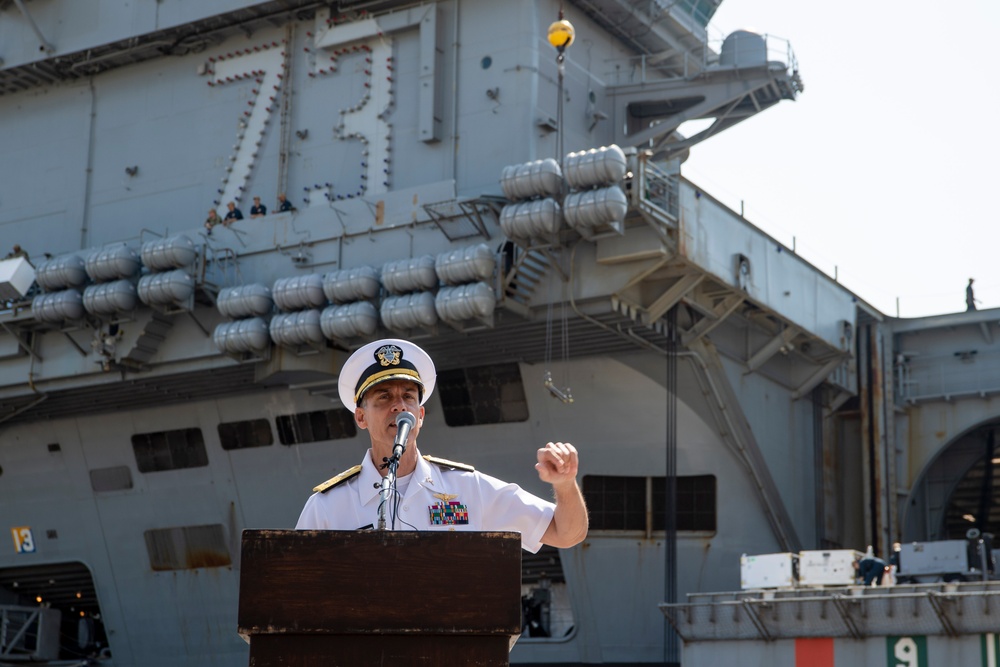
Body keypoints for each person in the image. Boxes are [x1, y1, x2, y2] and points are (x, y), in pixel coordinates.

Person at [295, 339, 589, 552]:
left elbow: (566, 534)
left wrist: (565, 485)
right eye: (384, 397)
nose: (399, 406)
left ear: (420, 415)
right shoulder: (328, 505)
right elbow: (292, 582)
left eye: (408, 397)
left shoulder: (468, 488)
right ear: (361, 417)